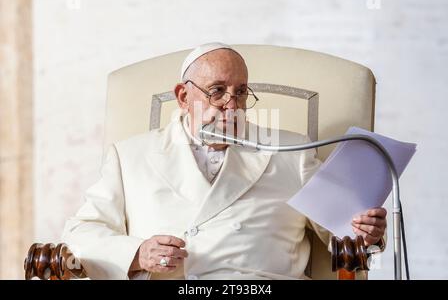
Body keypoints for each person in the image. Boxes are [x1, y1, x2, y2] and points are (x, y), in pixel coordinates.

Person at [63, 42, 386, 280]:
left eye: (241, 92)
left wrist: (363, 231)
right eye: (217, 91)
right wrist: (137, 254)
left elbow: (340, 230)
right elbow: (82, 231)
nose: (232, 105)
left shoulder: (293, 149)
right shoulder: (130, 155)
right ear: (183, 96)